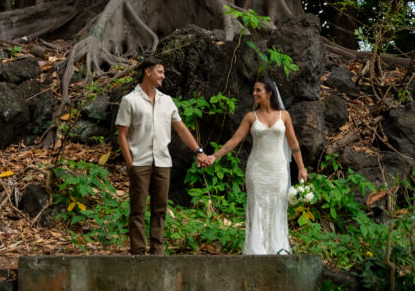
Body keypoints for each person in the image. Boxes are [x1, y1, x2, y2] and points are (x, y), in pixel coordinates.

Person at [116, 58, 211, 255]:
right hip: (139, 162)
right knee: (138, 210)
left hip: (162, 162)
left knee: (160, 209)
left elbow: (182, 129)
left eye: (163, 72)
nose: (163, 76)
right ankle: (139, 253)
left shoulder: (166, 101)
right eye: (160, 72)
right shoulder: (130, 100)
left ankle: (157, 251)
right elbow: (122, 134)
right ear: (147, 72)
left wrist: (198, 151)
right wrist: (129, 162)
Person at [207, 78, 308, 255]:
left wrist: (301, 167)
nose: (254, 93)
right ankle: (256, 250)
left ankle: (278, 249)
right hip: (257, 169)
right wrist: (215, 156)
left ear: (269, 93)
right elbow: (235, 140)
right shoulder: (250, 117)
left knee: (277, 205)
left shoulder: (284, 115)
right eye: (254, 90)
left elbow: (292, 142)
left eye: (258, 90)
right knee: (257, 207)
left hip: (278, 169)